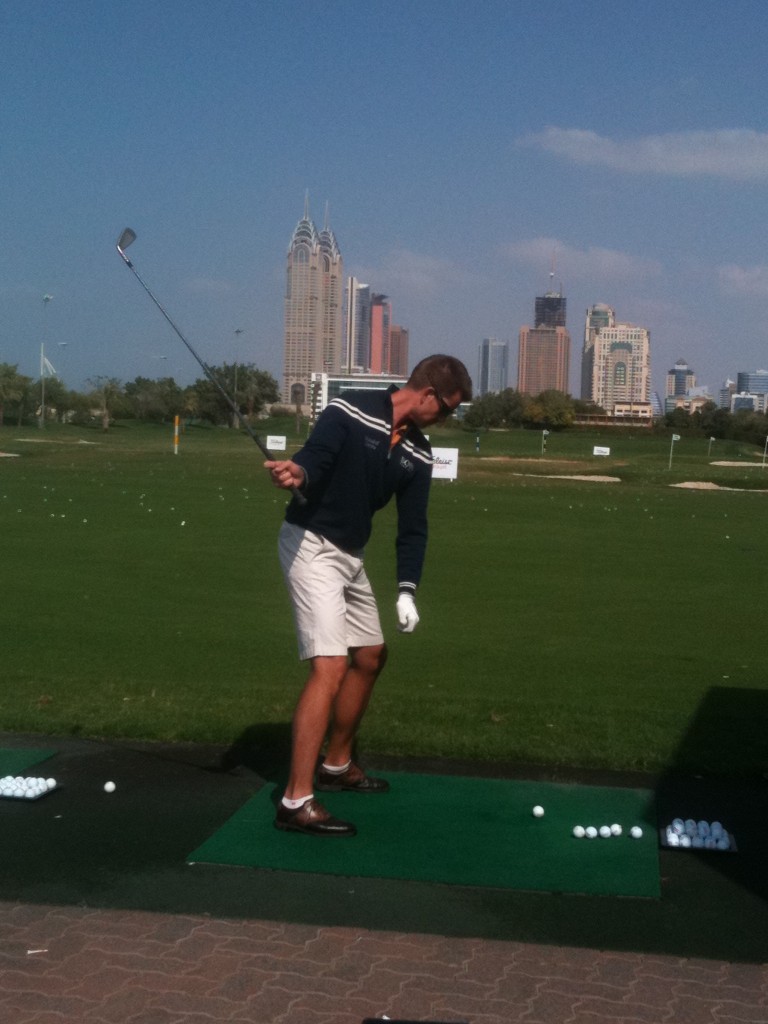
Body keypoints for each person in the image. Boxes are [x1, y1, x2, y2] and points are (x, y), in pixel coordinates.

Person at [264, 354, 472, 837]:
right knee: (330, 664)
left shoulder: (419, 453)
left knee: (371, 655)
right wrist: (297, 473)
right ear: (426, 395)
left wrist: (407, 591)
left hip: (350, 554)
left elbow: (413, 528)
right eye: (446, 409)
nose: (446, 420)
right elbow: (316, 458)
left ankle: (337, 765)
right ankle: (295, 800)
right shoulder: (351, 409)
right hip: (310, 544)